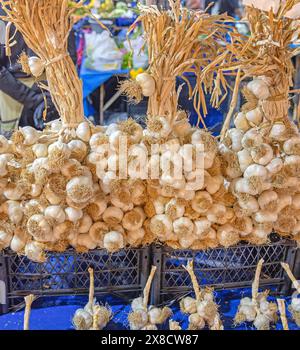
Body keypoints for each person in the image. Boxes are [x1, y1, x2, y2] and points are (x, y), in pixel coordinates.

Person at [0, 6, 77, 137]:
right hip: (14, 93)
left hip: (52, 92)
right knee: (14, 149)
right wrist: (34, 98)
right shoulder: (3, 13)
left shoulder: (57, 8)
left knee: (54, 148)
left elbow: (68, 59)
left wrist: (51, 94)